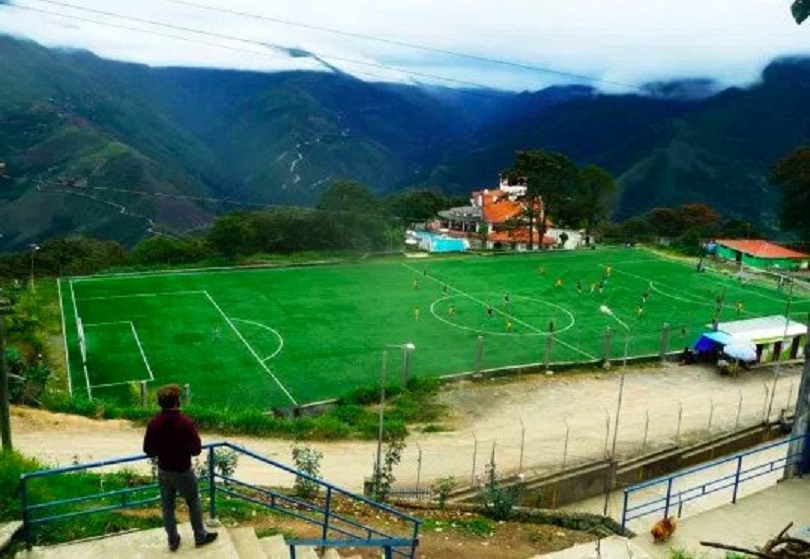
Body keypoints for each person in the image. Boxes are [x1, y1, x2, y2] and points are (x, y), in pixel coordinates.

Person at [143, 384, 218, 552]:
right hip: (183, 470)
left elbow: (148, 450)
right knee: (193, 501)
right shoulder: (186, 423)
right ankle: (200, 535)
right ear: (177, 401)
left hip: (164, 471)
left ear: (160, 403)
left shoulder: (154, 423)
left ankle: (172, 539)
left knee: (167, 506)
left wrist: (163, 450)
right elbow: (196, 450)